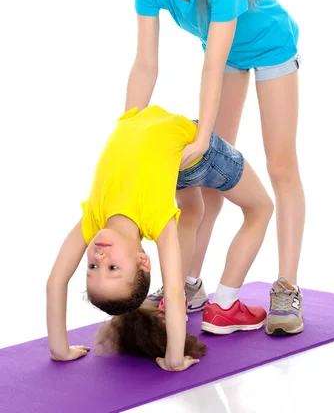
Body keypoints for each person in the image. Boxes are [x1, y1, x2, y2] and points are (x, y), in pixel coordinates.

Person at [124, 0, 305, 335]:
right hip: (223, 57)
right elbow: (146, 64)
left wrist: (203, 133)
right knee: (210, 178)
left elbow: (212, 65)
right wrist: (127, 126)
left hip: (270, 48)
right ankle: (187, 285)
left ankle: (286, 286)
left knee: (280, 165)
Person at [46, 105, 273, 372]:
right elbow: (173, 293)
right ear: (143, 261)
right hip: (197, 151)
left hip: (170, 166)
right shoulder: (156, 218)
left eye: (92, 268)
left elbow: (56, 281)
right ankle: (225, 303)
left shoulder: (93, 219)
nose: (99, 257)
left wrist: (60, 349)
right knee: (262, 208)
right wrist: (173, 359)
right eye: (112, 268)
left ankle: (194, 284)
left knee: (192, 211)